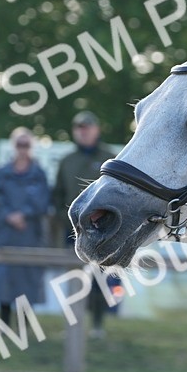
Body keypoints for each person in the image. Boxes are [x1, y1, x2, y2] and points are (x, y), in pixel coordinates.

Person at [51, 111, 119, 337]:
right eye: (79, 128)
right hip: (73, 233)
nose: (83, 132)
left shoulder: (111, 158)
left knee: (99, 280)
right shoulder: (67, 161)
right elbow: (57, 196)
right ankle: (73, 329)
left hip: (103, 232)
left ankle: (97, 326)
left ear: (96, 130)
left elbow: (118, 195)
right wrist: (67, 221)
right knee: (73, 280)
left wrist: (106, 221)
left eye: (87, 127)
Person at [0, 127, 49, 324]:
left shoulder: (39, 174)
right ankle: (4, 324)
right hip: (4, 236)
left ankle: (24, 328)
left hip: (29, 238)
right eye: (19, 144)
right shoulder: (1, 173)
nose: (22, 148)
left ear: (31, 146)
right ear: (13, 146)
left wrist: (23, 215)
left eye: (26, 144)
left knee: (27, 282)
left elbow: (43, 202)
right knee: (3, 281)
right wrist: (9, 216)